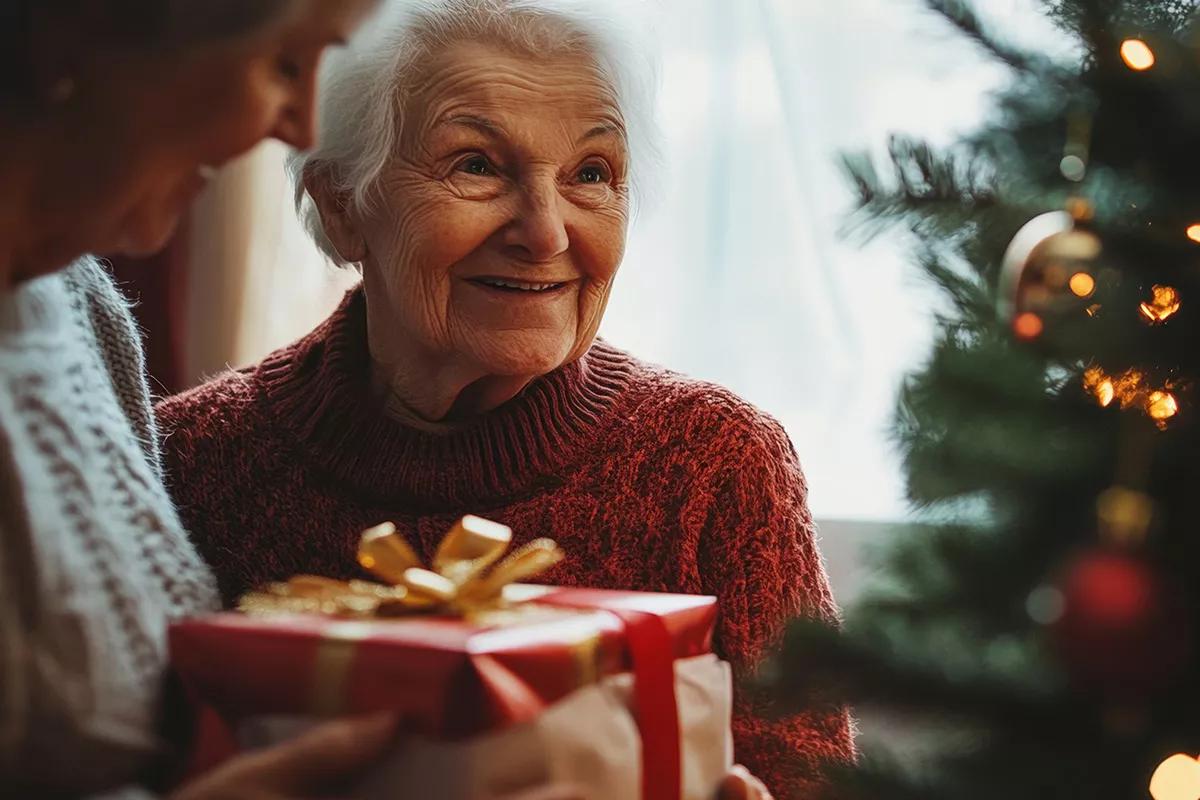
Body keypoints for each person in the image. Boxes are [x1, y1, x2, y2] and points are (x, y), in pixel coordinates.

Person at [155, 1, 856, 797]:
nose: (547, 233)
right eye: (477, 165)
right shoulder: (188, 462)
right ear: (343, 205)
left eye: (591, 173)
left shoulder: (718, 458)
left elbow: (813, 781)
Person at [0, 2, 412, 797]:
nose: (300, 128)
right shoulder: (220, 442)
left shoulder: (82, 306)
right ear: (73, 38)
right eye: (285, 65)